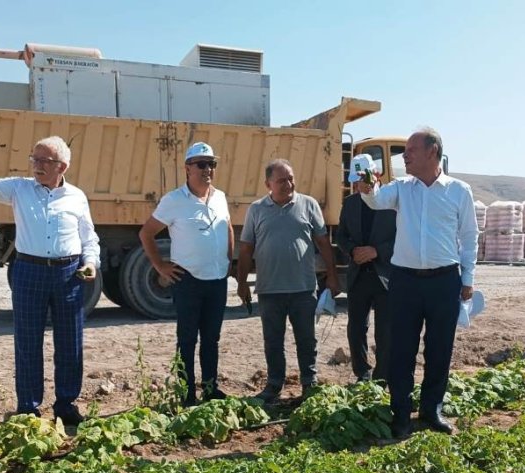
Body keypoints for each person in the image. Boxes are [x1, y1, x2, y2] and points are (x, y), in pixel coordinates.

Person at [0, 118, 99, 424]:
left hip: (69, 276)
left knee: (70, 341)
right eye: (33, 159)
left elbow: (89, 237)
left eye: (43, 160)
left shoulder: (76, 197)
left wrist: (90, 263)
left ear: (61, 166)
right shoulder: (19, 189)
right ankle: (28, 407)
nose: (36, 165)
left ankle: (66, 404)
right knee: (27, 341)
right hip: (29, 273)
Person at [359, 128, 478, 437]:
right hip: (405, 281)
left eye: (410, 149)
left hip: (444, 281)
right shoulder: (401, 188)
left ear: (432, 152)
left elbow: (469, 237)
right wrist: (368, 187)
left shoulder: (458, 191)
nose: (405, 155)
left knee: (440, 349)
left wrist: (468, 279)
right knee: (401, 349)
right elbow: (376, 200)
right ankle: (400, 412)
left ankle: (431, 409)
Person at [138, 142, 234, 406]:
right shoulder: (174, 200)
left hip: (217, 279)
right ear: (187, 168)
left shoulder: (220, 197)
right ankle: (186, 393)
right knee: (188, 338)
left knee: (212, 338)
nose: (208, 170)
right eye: (201, 164)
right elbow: (146, 233)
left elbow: (228, 228)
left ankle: (211, 389)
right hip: (188, 280)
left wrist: (228, 260)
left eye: (211, 164)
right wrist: (160, 266)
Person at [236, 159, 339, 403]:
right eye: (281, 180)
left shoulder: (308, 205)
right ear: (268, 184)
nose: (288, 184)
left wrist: (332, 276)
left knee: (306, 339)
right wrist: (241, 283)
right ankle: (274, 384)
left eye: (291, 178)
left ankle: (309, 382)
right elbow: (246, 249)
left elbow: (323, 243)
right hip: (270, 290)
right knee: (273, 340)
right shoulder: (257, 209)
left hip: (303, 288)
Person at [335, 154, 396, 382]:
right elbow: (341, 236)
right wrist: (353, 251)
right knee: (356, 329)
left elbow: (402, 238)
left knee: (386, 331)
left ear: (376, 175)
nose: (361, 185)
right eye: (357, 181)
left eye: (365, 179)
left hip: (385, 277)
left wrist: (377, 251)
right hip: (359, 275)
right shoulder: (350, 204)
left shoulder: (392, 201)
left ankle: (383, 377)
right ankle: (363, 373)